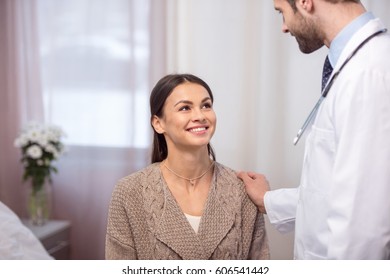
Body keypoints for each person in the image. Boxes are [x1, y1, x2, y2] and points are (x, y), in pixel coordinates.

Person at [238, 0, 390, 259]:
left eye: (281, 13)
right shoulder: (354, 65)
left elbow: (364, 231)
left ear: (305, 2)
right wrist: (269, 201)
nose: (284, 27)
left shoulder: (369, 73)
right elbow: (337, 190)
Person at [105, 74, 269, 260]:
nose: (200, 116)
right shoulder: (128, 192)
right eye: (185, 108)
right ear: (158, 123)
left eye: (206, 105)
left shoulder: (242, 190)